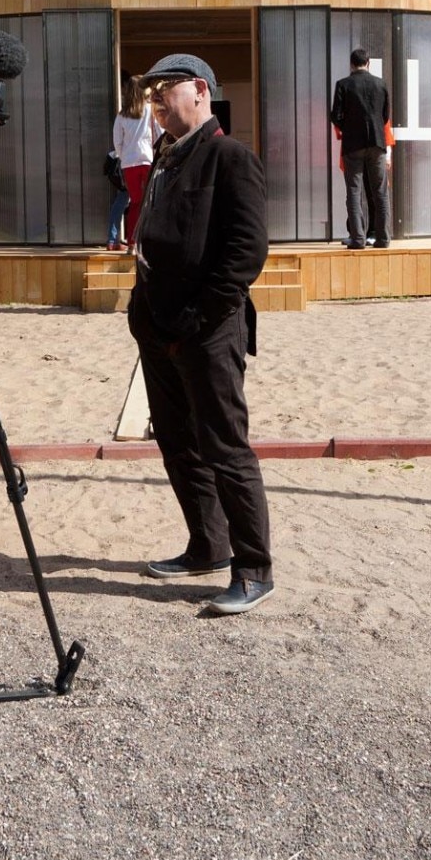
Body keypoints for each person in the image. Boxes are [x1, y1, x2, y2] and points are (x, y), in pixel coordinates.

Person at [127, 53, 274, 615]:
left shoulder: (230, 158)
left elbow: (245, 254)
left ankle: (254, 568)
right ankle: (206, 544)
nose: (157, 104)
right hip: (159, 327)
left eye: (166, 92)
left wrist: (196, 319)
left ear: (200, 90)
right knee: (177, 443)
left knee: (225, 447)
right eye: (152, 95)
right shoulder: (167, 156)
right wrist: (146, 314)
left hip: (207, 330)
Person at [330, 48, 392, 250]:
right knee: (380, 192)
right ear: (368, 63)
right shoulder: (380, 84)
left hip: (353, 145)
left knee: (354, 192)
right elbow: (385, 116)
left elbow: (335, 116)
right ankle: (383, 239)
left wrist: (349, 128)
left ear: (351, 64)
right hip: (377, 143)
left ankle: (358, 239)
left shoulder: (343, 84)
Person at [113, 75, 159, 249]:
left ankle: (132, 242)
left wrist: (123, 156)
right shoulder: (151, 110)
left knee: (135, 202)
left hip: (129, 163)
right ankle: (148, 240)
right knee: (151, 201)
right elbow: (159, 132)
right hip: (148, 159)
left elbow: (117, 140)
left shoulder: (122, 115)